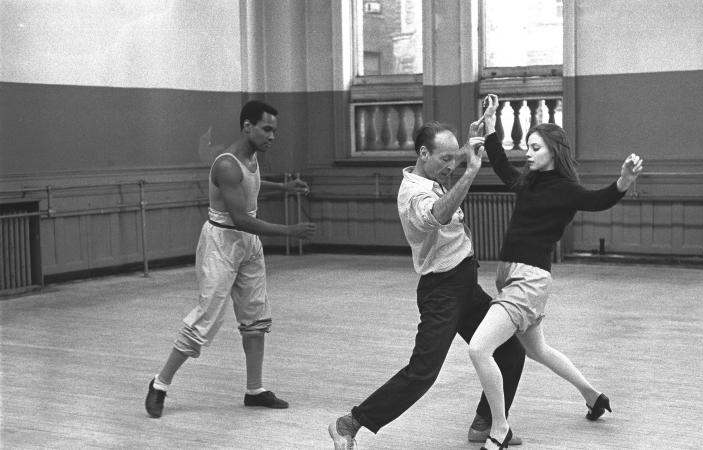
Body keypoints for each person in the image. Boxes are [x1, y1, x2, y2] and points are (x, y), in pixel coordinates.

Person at [328, 121, 527, 449]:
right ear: (423, 154)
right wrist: (470, 173)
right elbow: (438, 214)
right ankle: (349, 423)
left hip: (465, 284)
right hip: (442, 291)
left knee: (510, 350)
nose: (452, 165)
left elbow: (453, 156)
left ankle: (484, 423)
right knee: (423, 372)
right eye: (445, 159)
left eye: (454, 158)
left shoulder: (430, 175)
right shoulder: (414, 193)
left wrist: (470, 141)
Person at [467, 94, 644, 449]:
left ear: (552, 151)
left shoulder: (566, 189)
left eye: (535, 147)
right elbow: (501, 166)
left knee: (478, 349)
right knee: (539, 351)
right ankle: (593, 396)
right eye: (528, 147)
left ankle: (500, 430)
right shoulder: (529, 182)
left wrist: (624, 180)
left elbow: (599, 200)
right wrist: (490, 127)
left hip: (528, 282)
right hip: (513, 277)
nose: (528, 153)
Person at [145, 100, 317, 418]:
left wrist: (283, 185)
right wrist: (289, 230)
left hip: (247, 244)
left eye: (274, 131)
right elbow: (239, 218)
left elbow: (247, 184)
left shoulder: (249, 159)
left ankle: (255, 390)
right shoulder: (226, 164)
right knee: (207, 317)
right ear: (247, 126)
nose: (272, 136)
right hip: (221, 242)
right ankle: (160, 384)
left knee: (255, 315)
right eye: (267, 129)